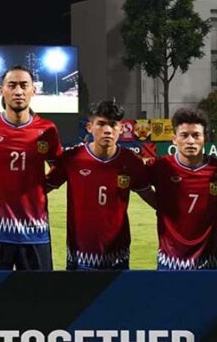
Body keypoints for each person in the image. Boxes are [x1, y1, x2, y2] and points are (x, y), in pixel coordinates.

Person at [0, 65, 62, 270]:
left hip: (35, 231)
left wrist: (41, 188)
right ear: (1, 90)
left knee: (37, 300)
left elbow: (60, 168)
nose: (18, 91)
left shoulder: (47, 129)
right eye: (12, 85)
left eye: (23, 85)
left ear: (33, 90)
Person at [45, 99, 152, 270]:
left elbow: (151, 197)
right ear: (89, 127)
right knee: (77, 298)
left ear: (122, 129)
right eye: (101, 124)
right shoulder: (72, 159)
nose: (107, 130)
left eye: (113, 125)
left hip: (118, 255)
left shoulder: (131, 162)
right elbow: (40, 190)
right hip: (79, 254)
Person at [149, 107, 217, 270]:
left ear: (205, 138)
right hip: (171, 262)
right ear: (174, 139)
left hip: (211, 261)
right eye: (184, 135)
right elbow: (138, 186)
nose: (190, 141)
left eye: (196, 135)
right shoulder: (160, 167)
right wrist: (161, 206)